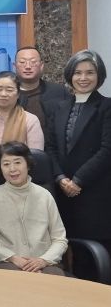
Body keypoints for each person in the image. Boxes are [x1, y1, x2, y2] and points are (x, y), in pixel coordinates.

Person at [45, 49, 111, 257]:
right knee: (69, 251)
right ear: (70, 76)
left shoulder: (107, 106)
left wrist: (78, 180)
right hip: (63, 192)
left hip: (95, 192)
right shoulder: (59, 107)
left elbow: (107, 150)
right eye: (78, 73)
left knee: (98, 255)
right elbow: (50, 147)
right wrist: (61, 178)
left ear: (99, 76)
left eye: (90, 72)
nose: (83, 78)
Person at [0, 141, 67, 276]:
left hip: (46, 263)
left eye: (17, 162)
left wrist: (43, 260)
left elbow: (60, 239)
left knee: (54, 283)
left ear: (28, 164)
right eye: (6, 164)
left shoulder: (45, 195)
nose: (12, 169)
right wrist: (13, 258)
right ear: (0, 167)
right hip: (9, 264)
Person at [0, 71, 44, 151]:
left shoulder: (30, 120)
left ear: (18, 94)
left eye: (9, 90)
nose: (3, 94)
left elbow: (36, 156)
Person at [14, 46, 71, 134]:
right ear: (14, 66)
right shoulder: (6, 94)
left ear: (41, 65)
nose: (28, 66)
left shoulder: (59, 92)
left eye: (33, 62)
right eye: (22, 62)